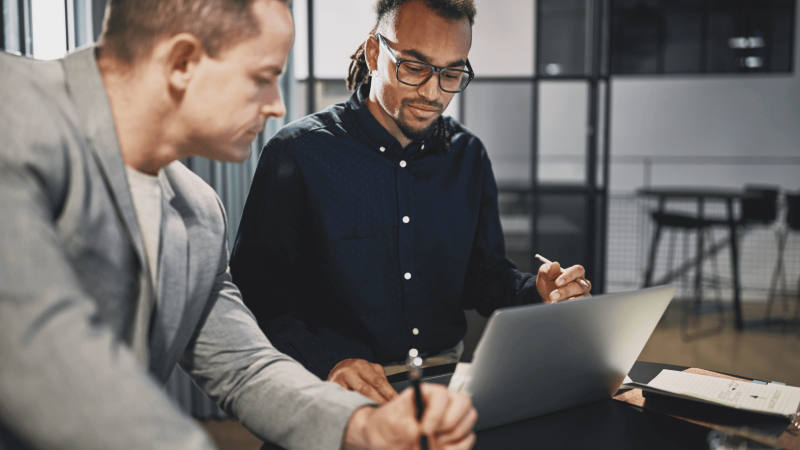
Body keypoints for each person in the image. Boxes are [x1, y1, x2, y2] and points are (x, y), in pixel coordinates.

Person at [0, 0, 478, 448]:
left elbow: (244, 365)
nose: (277, 106)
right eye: (263, 78)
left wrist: (363, 425)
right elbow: (35, 346)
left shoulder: (199, 212)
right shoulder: (13, 110)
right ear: (183, 61)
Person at [230, 0, 593, 406]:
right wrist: (328, 362)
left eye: (452, 72)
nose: (432, 92)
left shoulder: (468, 155)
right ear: (373, 54)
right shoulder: (298, 153)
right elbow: (256, 300)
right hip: (336, 392)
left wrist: (536, 290)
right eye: (415, 67)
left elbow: (484, 278)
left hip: (447, 386)